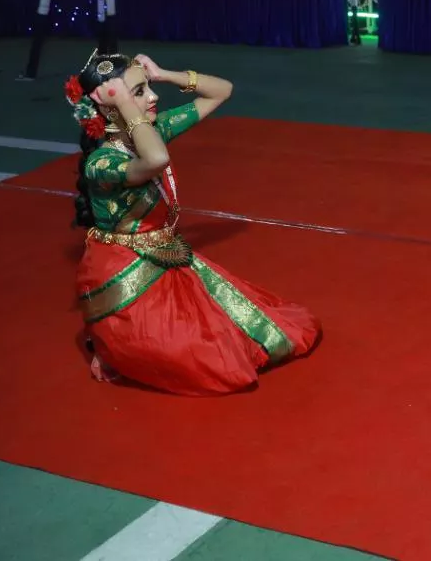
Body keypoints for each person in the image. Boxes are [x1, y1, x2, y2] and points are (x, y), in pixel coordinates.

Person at [70, 51, 320, 395]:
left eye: (148, 87)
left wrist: (164, 74)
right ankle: (112, 342)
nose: (153, 97)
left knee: (247, 331)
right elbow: (156, 159)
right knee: (207, 359)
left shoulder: (153, 130)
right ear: (112, 107)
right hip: (124, 273)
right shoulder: (101, 163)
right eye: (140, 92)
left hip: (164, 255)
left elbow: (222, 91)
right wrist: (126, 105)